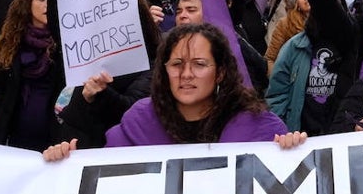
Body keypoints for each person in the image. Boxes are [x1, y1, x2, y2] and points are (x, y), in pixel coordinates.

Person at [97, 23, 291, 146]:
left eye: (199, 64)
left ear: (220, 73)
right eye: (177, 64)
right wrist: (68, 160)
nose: (186, 74)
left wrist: (290, 151)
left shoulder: (259, 130)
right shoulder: (138, 125)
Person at [56, 0, 163, 149]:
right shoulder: (90, 56)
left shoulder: (152, 64)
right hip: (74, 145)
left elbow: (132, 111)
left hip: (112, 152)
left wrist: (101, 93)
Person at [0, 0, 64, 150]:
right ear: (28, 4)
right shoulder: (12, 43)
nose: (47, 5)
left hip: (54, 140)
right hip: (17, 138)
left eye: (52, 0)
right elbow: (1, 95)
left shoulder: (65, 46)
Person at [266, 0, 348, 136]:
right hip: (301, 138)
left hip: (341, 138)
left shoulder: (352, 47)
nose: (329, 15)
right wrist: (282, 131)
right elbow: (277, 96)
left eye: (335, 9)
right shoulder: (294, 46)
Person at [173, 0, 269, 94]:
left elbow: (259, 70)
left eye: (191, 10)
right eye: (178, 11)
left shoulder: (229, 43)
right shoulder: (168, 45)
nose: (182, 15)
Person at [265, 0, 309, 71]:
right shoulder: (285, 24)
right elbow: (270, 58)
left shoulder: (321, 22)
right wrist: (277, 82)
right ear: (295, 2)